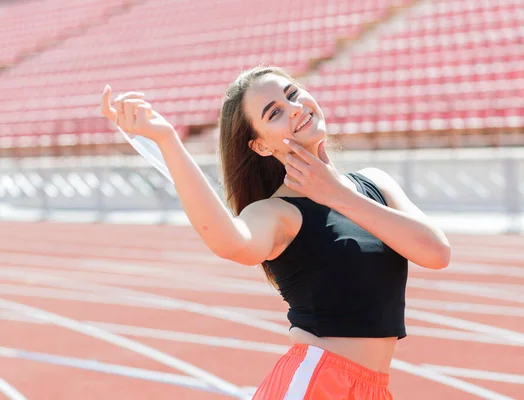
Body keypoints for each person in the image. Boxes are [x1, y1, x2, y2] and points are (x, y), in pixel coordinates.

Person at [100, 65, 451, 399]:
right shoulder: (278, 213)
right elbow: (229, 242)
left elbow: (436, 253)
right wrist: (167, 140)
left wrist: (337, 195)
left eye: (293, 94)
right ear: (262, 146)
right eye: (274, 113)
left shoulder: (376, 183)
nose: (295, 109)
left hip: (373, 388)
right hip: (317, 384)